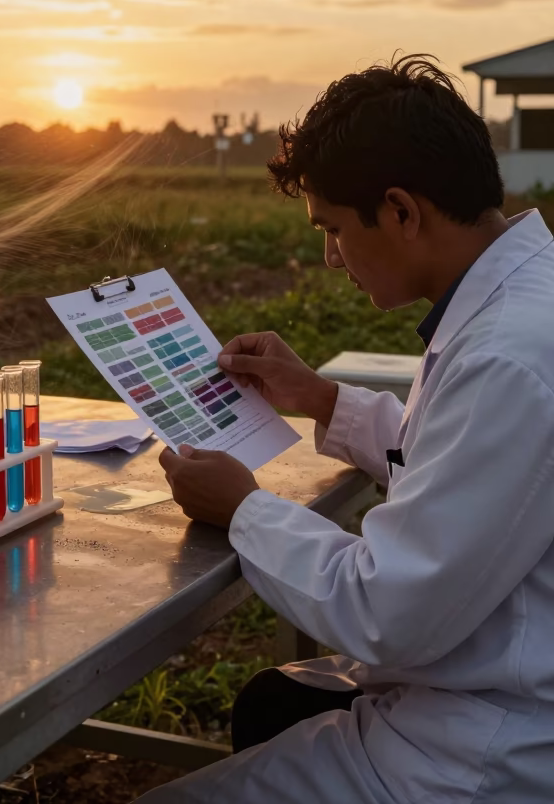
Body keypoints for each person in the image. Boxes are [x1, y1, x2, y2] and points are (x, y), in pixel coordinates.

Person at [140, 55, 554, 803]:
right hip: (476, 695)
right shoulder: (522, 296)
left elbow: (388, 610)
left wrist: (244, 509)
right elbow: (473, 474)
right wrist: (324, 400)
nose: (330, 257)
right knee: (274, 704)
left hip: (481, 754)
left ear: (400, 210)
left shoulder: (505, 357)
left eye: (331, 229)